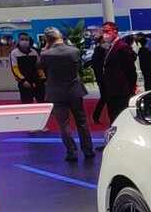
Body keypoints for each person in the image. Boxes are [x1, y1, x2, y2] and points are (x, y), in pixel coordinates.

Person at [39, 28, 94, 162]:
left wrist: (44, 50)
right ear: (61, 37)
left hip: (56, 93)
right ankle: (88, 150)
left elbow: (41, 69)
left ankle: (72, 153)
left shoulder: (46, 54)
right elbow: (79, 68)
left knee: (63, 124)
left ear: (47, 40)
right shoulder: (74, 51)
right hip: (74, 91)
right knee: (82, 122)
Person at [100, 23, 137, 123]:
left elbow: (130, 71)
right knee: (113, 117)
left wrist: (131, 89)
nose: (104, 34)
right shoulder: (111, 46)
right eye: (103, 31)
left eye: (107, 31)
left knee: (120, 118)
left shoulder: (122, 47)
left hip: (121, 91)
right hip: (112, 90)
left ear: (115, 31)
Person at [9, 32, 46, 103]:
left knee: (42, 101)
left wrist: (43, 78)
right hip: (24, 82)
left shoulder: (34, 52)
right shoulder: (14, 53)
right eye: (22, 39)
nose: (24, 41)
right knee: (27, 103)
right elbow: (15, 69)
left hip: (37, 81)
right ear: (18, 41)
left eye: (26, 39)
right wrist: (23, 80)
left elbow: (39, 67)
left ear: (29, 40)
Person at [90, 28, 110, 123]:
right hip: (103, 79)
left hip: (103, 78)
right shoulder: (100, 50)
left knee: (105, 98)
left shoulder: (100, 50)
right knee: (105, 98)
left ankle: (96, 116)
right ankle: (96, 116)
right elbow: (98, 66)